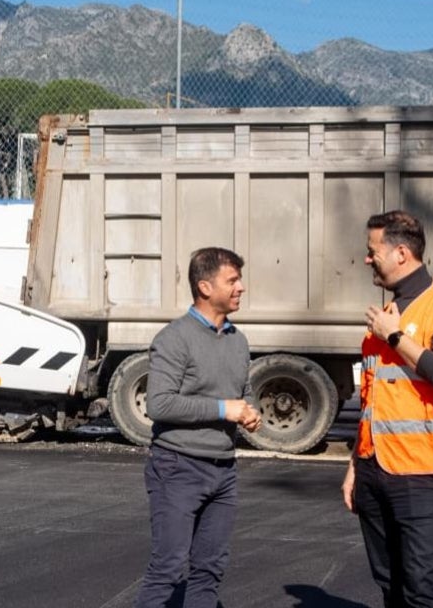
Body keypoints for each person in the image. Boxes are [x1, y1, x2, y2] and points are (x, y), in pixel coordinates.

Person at [341, 210, 433, 608]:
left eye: (373, 251)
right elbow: (373, 400)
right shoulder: (387, 313)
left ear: (401, 253)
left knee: (421, 588)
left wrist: (396, 337)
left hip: (424, 474)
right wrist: (355, 466)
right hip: (375, 468)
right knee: (390, 582)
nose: (367, 259)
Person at [134, 246, 262, 608]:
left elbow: (244, 395)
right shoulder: (174, 339)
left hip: (224, 471)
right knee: (168, 569)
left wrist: (250, 414)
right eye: (232, 280)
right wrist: (224, 410)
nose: (241, 287)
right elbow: (159, 404)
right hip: (178, 468)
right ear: (205, 288)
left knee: (209, 571)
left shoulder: (238, 340)